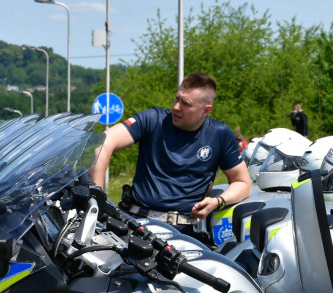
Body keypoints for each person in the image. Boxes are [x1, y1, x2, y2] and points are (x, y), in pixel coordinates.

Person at [90, 73, 252, 235]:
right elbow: (103, 143)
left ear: (206, 110)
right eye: (177, 99)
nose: (176, 107)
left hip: (183, 232)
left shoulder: (219, 134)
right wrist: (97, 201)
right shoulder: (153, 119)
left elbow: (243, 183)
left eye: (186, 104)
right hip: (135, 223)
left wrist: (218, 202)